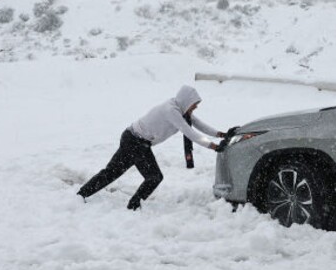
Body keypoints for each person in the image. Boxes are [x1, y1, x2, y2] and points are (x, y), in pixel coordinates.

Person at [77, 85, 233, 210]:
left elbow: (199, 125)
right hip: (135, 141)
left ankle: (83, 194)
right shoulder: (171, 110)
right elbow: (189, 132)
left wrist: (220, 134)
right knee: (152, 177)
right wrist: (213, 146)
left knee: (113, 172)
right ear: (187, 101)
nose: (195, 107)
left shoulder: (179, 109)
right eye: (194, 104)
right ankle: (133, 206)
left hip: (136, 141)